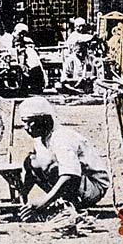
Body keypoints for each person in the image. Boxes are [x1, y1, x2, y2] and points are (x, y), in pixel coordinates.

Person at [18, 97, 110, 234]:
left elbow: (70, 175)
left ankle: (70, 203)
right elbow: (31, 166)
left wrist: (44, 201)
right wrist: (22, 197)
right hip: (78, 183)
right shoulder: (41, 139)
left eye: (29, 123)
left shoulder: (62, 138)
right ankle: (61, 200)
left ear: (44, 121)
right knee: (32, 160)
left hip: (92, 187)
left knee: (52, 165)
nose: (26, 128)